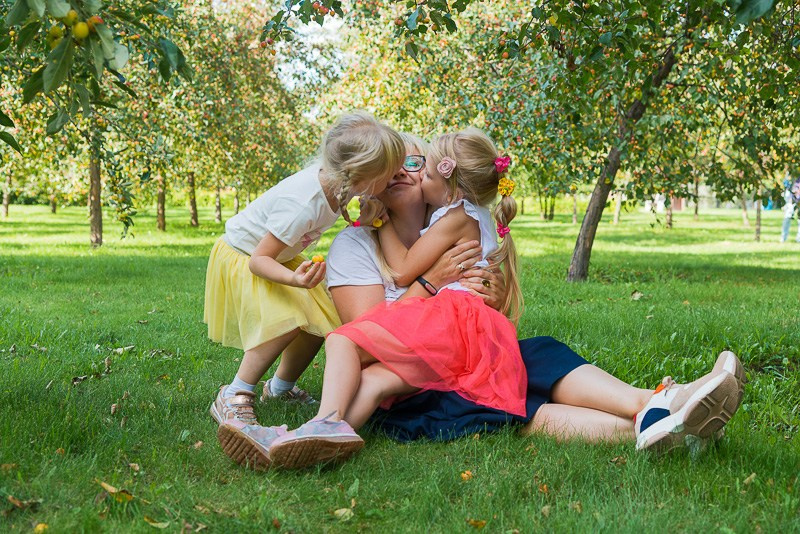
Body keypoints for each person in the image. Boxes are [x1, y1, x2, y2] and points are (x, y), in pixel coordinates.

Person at [216, 133, 745, 470]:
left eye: (414, 162)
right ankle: (664, 417)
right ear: (372, 188)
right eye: (396, 168)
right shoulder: (357, 243)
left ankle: (659, 406)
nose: (405, 171)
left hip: (459, 351)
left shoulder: (449, 226)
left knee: (539, 354)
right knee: (517, 404)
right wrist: (429, 282)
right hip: (406, 382)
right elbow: (366, 337)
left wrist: (485, 293)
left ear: (435, 178)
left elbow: (484, 311)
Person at [205, 111, 405, 429]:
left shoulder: (338, 185)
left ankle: (280, 388)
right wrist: (293, 279)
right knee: (286, 320)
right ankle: (235, 392)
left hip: (278, 258)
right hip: (249, 257)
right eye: (388, 175)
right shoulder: (302, 203)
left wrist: (363, 217)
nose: (394, 180)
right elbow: (259, 260)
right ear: (360, 177)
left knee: (320, 317)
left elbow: (334, 210)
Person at [781, 175, 800, 243]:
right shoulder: (790, 176)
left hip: (798, 201)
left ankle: (799, 239)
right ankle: (783, 238)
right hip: (791, 200)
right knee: (787, 218)